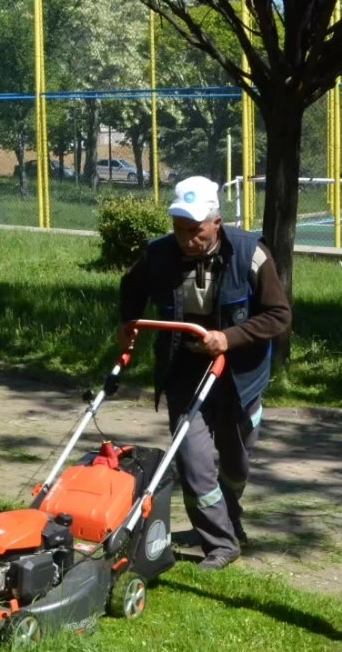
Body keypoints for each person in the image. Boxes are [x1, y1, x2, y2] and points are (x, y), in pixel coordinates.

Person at [117, 176, 292, 570]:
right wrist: (127, 324)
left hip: (239, 375)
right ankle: (221, 544)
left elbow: (279, 315)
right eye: (180, 229)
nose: (186, 239)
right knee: (194, 462)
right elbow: (131, 286)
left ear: (217, 222)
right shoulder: (159, 254)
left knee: (235, 464)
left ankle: (230, 516)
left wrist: (229, 338)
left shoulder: (250, 254)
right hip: (184, 369)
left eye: (195, 231)